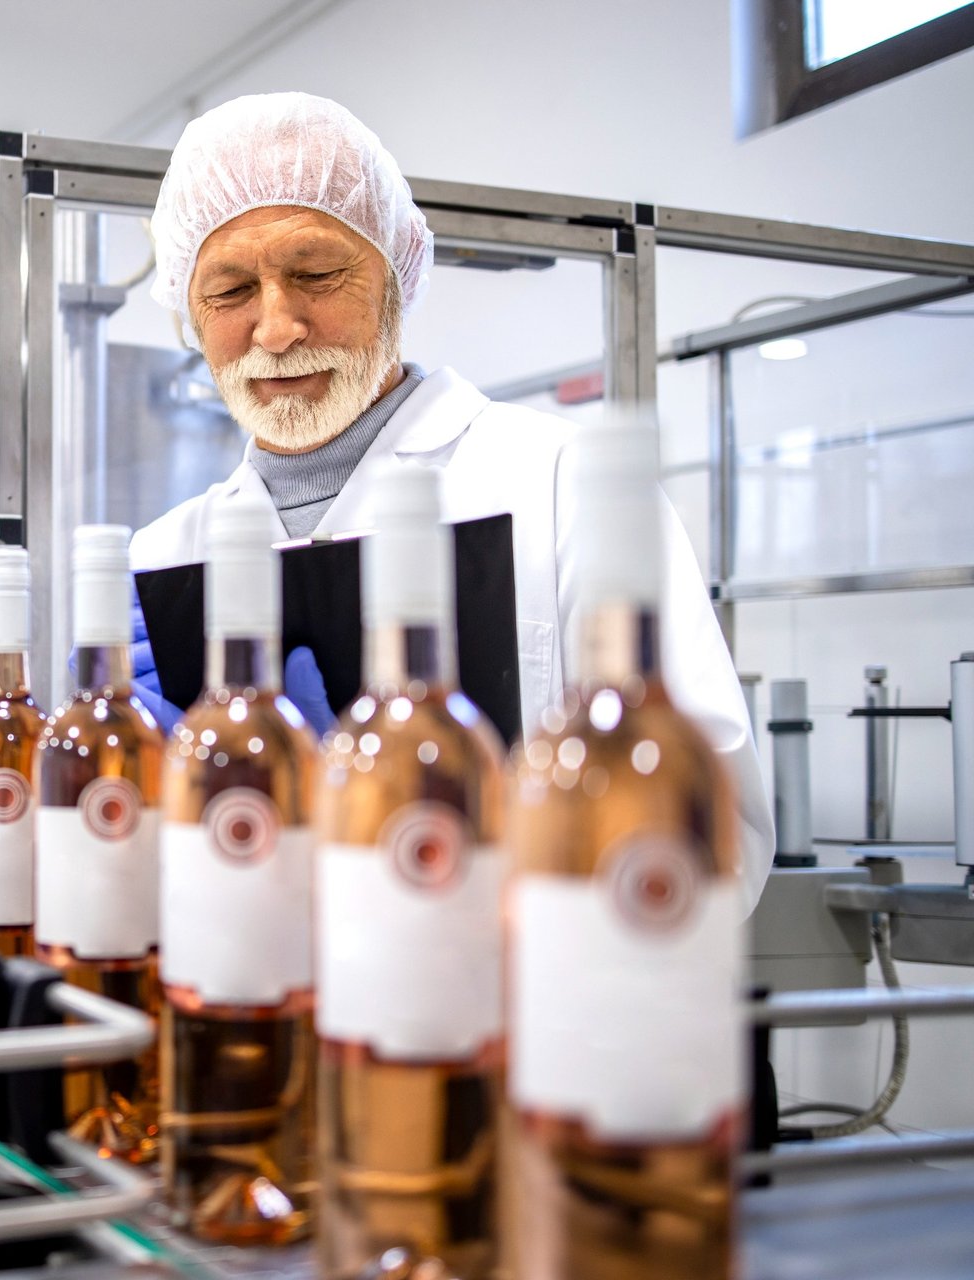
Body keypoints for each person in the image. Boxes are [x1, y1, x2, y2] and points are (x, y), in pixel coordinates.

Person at [127, 93, 773, 909]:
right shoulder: (164, 556)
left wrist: (408, 817)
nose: (277, 326)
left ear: (397, 272)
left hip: (519, 1024)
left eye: (317, 273)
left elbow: (717, 836)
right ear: (189, 311)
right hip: (258, 1016)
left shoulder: (566, 485)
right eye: (229, 290)